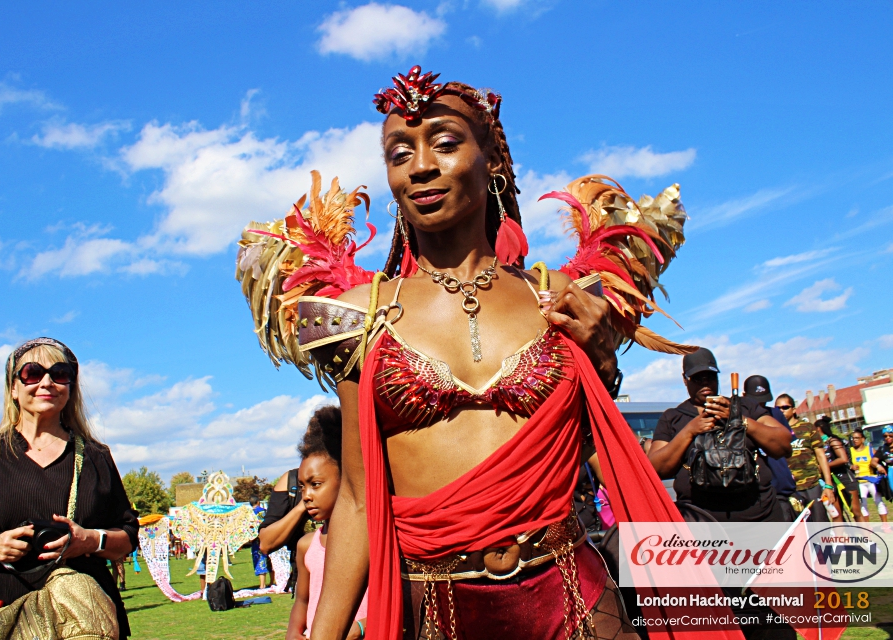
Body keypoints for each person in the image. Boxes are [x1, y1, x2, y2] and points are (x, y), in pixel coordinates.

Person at [230, 66, 723, 640]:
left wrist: (603, 356)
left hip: (575, 598)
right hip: (438, 613)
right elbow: (361, 506)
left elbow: (591, 449)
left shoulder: (560, 298)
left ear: (491, 161)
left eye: (443, 143)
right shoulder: (358, 317)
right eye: (399, 152)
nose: (420, 166)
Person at [0, 337, 138, 639]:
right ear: (13, 388)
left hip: (83, 621)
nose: (46, 382)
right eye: (31, 372)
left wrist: (90, 540)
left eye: (60, 373)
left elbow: (128, 537)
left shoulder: (96, 457)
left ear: (70, 387)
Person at [648, 349, 793, 522]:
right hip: (702, 524)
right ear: (685, 380)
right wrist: (689, 431)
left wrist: (739, 419)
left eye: (710, 376)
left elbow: (784, 445)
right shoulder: (673, 417)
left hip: (760, 517)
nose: (705, 383)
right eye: (697, 378)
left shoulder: (746, 407)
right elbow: (655, 468)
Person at [287, 406, 368, 640]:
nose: (307, 495)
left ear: (345, 478)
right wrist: (293, 633)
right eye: (302, 486)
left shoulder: (370, 542)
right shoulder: (306, 546)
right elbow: (302, 600)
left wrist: (361, 626)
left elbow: (396, 598)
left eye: (316, 484)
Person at [743, 375, 796, 520]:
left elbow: (788, 448)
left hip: (782, 486)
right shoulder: (740, 419)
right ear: (744, 397)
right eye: (756, 402)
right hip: (760, 489)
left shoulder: (776, 414)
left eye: (764, 401)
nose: (761, 406)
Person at [775, 393, 834, 522]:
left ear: (793, 409)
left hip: (812, 485)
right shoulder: (774, 430)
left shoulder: (807, 428)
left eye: (785, 407)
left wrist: (828, 485)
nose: (781, 410)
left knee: (819, 526)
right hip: (790, 489)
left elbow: (821, 456)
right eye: (777, 408)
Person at [258, 467, 308, 594]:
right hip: (305, 585)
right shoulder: (291, 480)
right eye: (303, 485)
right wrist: (300, 508)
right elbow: (265, 544)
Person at [816, 417, 864, 522]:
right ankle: (841, 538)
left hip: (845, 478)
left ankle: (866, 538)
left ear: (819, 429)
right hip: (830, 481)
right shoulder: (817, 445)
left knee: (855, 511)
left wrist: (824, 466)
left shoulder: (832, 440)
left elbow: (843, 459)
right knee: (836, 515)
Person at [850, 429, 887, 522]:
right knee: (863, 504)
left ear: (863, 439)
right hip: (858, 481)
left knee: (879, 502)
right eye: (853, 438)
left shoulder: (870, 449)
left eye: (857, 438)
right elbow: (846, 464)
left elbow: (879, 461)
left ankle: (885, 525)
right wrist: (851, 466)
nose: (855, 440)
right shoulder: (850, 451)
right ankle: (867, 527)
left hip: (871, 480)